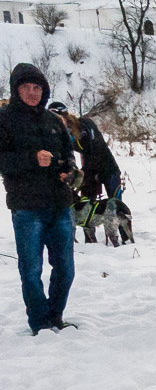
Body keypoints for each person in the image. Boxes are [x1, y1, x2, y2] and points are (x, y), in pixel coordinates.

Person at [0, 63, 78, 334]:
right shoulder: (4, 119)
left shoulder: (53, 120)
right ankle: (39, 321)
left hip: (59, 204)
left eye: (37, 88)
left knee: (66, 268)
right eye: (26, 87)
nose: (32, 93)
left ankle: (55, 316)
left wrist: (68, 171)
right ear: (16, 89)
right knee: (31, 270)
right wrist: (32, 159)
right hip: (26, 206)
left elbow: (70, 155)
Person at [48, 101, 127, 247]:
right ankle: (90, 242)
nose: (58, 122)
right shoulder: (61, 134)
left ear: (65, 116)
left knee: (115, 204)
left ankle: (126, 238)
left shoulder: (84, 125)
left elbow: (96, 149)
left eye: (60, 118)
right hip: (90, 171)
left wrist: (88, 172)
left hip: (108, 168)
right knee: (85, 204)